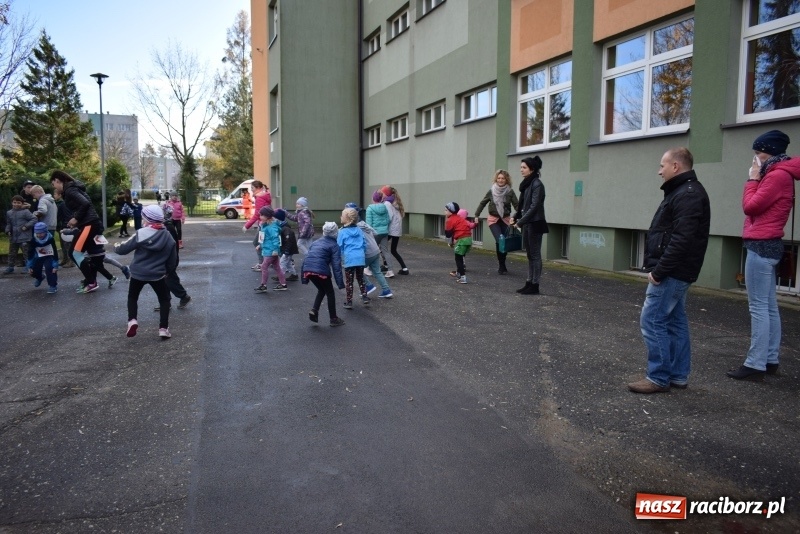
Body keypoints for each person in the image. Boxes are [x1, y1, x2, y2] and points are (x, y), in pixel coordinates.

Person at [628, 147, 710, 394]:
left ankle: (658, 377)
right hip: (678, 270)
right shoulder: (684, 192)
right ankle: (678, 375)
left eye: (662, 165)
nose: (659, 171)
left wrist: (659, 271)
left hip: (672, 271)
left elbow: (681, 240)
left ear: (676, 166)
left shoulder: (688, 194)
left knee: (652, 320)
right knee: (675, 322)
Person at [728, 130, 800, 381]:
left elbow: (751, 206)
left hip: (761, 246)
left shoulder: (776, 176)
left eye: (757, 153)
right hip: (769, 245)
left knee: (759, 307)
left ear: (769, 152)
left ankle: (756, 363)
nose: (755, 159)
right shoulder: (782, 173)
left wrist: (752, 179)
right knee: (768, 307)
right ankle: (770, 360)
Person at [114, 205, 177, 339]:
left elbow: (123, 249)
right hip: (158, 275)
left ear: (146, 219)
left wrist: (116, 246)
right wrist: (168, 271)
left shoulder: (141, 233)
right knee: (164, 300)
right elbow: (173, 258)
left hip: (138, 273)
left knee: (133, 297)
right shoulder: (168, 236)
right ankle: (163, 328)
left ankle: (132, 320)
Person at [50, 170, 105, 292]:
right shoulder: (71, 189)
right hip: (88, 224)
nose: (54, 187)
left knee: (75, 253)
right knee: (76, 253)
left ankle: (91, 282)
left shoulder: (70, 190)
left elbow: (85, 204)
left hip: (89, 224)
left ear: (58, 181)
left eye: (53, 184)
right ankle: (90, 279)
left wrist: (76, 218)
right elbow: (82, 205)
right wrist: (74, 220)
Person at [513, 156, 548, 295]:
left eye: (524, 167)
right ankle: (529, 282)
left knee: (535, 255)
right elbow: (523, 205)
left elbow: (534, 207)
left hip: (535, 223)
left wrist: (521, 221)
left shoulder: (537, 184)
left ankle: (535, 285)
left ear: (532, 169)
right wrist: (516, 217)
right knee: (529, 255)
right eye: (521, 167)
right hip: (528, 223)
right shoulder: (527, 184)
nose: (521, 170)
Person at [475, 170, 519, 274]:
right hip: (493, 219)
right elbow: (483, 203)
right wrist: (477, 215)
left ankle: (502, 264)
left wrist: (518, 217)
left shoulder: (510, 192)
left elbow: (517, 206)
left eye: (503, 178)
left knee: (505, 242)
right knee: (500, 240)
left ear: (506, 180)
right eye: (498, 178)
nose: (500, 180)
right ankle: (501, 265)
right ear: (496, 179)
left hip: (505, 219)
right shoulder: (491, 191)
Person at [302, 222, 345, 327]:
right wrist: (340, 283)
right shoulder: (334, 246)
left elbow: (306, 258)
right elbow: (336, 266)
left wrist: (304, 278)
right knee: (330, 292)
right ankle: (333, 318)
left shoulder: (316, 242)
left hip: (308, 269)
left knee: (322, 290)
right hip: (321, 271)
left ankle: (314, 310)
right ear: (336, 233)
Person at [154, 206, 192, 311]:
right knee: (165, 279)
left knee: (169, 279)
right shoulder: (167, 226)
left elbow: (168, 245)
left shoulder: (167, 228)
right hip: (168, 259)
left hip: (168, 259)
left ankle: (183, 296)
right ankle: (166, 302)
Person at [337, 207, 370, 309]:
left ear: (346, 218)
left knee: (349, 281)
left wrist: (340, 258)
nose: (340, 217)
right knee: (360, 278)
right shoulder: (359, 230)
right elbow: (364, 244)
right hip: (360, 258)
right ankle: (365, 297)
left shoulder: (341, 232)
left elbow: (339, 246)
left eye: (342, 215)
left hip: (349, 259)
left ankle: (349, 301)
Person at [357, 215, 393, 299]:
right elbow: (375, 233)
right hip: (375, 250)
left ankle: (368, 285)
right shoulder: (365, 224)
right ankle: (386, 290)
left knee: (357, 269)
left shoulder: (355, 228)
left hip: (368, 252)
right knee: (377, 271)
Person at [254, 207, 288, 292]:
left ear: (267, 216)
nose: (260, 216)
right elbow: (265, 239)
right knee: (277, 267)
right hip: (269, 251)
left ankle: (263, 285)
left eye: (262, 215)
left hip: (271, 252)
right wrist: (260, 245)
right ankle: (283, 284)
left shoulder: (271, 227)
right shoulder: (266, 225)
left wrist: (275, 250)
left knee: (264, 267)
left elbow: (275, 239)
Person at [242, 180, 272, 271]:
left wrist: (247, 225)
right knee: (265, 243)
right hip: (266, 223)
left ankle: (262, 264)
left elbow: (257, 214)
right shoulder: (265, 195)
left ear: (258, 188)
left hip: (263, 224)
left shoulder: (260, 198)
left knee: (257, 243)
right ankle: (265, 263)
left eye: (253, 188)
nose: (251, 190)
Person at [381, 185, 409, 276]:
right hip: (396, 230)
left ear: (386, 194)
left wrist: (383, 225)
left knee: (381, 247)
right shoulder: (395, 201)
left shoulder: (388, 203)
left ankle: (386, 266)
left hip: (391, 229)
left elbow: (389, 217)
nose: (381, 195)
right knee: (393, 250)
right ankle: (404, 268)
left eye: (383, 193)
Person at [5, 196, 37, 273]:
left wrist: (26, 226)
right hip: (14, 237)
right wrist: (8, 230)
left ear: (22, 203)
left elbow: (34, 219)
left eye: (18, 203)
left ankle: (28, 266)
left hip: (24, 236)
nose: (16, 204)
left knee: (26, 253)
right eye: (14, 202)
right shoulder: (9, 213)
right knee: (12, 253)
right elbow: (9, 223)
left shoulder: (25, 212)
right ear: (12, 203)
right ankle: (10, 266)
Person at [444, 202, 475, 284]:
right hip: (468, 239)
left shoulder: (450, 220)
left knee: (458, 259)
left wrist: (450, 241)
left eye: (446, 210)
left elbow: (448, 234)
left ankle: (463, 277)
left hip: (462, 240)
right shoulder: (460, 218)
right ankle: (459, 273)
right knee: (460, 257)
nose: (445, 212)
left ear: (451, 211)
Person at [27, 222, 59, 294]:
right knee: (33, 271)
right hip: (38, 256)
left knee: (50, 268)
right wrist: (29, 266)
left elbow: (54, 251)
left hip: (49, 256)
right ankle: (40, 277)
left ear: (45, 232)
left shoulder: (50, 239)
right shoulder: (33, 240)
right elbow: (30, 253)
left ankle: (52, 285)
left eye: (41, 233)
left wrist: (55, 265)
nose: (39, 235)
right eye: (37, 233)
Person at [365, 189, 390, 276]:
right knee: (385, 251)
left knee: (371, 250)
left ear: (373, 198)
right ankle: (390, 271)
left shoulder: (370, 208)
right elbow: (388, 220)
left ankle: (367, 268)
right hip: (384, 232)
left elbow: (368, 223)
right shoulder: (384, 207)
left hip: (375, 233)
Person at [274, 209, 300, 281]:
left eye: (275, 218)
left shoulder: (285, 229)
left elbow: (288, 241)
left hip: (288, 250)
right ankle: (294, 275)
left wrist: (286, 251)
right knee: (288, 263)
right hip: (288, 249)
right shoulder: (282, 227)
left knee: (282, 262)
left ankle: (280, 276)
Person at [52, 189, 75, 268]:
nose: (54, 196)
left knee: (66, 244)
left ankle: (70, 261)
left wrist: (58, 225)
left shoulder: (61, 204)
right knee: (64, 244)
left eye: (55, 194)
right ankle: (65, 259)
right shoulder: (68, 203)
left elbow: (60, 216)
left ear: (60, 195)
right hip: (69, 224)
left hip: (65, 225)